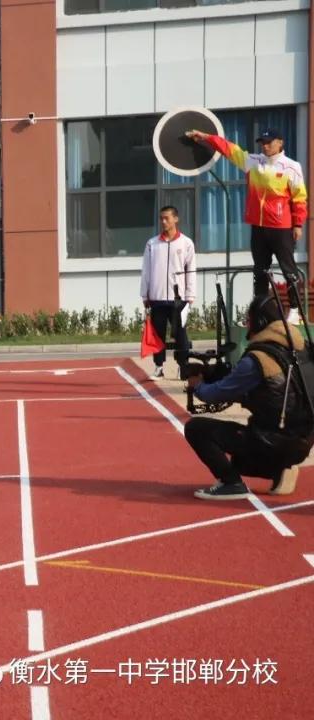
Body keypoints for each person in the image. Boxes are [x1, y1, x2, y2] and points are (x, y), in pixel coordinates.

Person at [185, 296, 314, 499]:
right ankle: (280, 470)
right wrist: (212, 373)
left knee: (196, 429)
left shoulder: (258, 358)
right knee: (241, 460)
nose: (247, 325)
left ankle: (231, 483)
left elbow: (216, 394)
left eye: (249, 320)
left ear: (260, 322)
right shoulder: (303, 349)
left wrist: (198, 386)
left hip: (271, 441)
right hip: (303, 442)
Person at [187, 127, 308, 324]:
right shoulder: (254, 162)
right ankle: (260, 311)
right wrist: (206, 137)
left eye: (269, 142)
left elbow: (300, 198)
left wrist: (298, 224)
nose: (265, 146)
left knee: (289, 270)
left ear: (280, 142)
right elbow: (229, 149)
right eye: (263, 142)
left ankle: (294, 310)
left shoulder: (291, 167)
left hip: (281, 228)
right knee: (260, 271)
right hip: (258, 227)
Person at [140, 206, 197, 379]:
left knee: (181, 334)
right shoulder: (152, 244)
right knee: (158, 334)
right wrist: (145, 294)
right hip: (157, 298)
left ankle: (183, 366)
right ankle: (159, 367)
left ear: (175, 219)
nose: (164, 222)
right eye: (161, 218)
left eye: (167, 218)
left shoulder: (186, 243)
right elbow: (146, 270)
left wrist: (190, 295)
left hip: (178, 299)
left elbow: (191, 270)